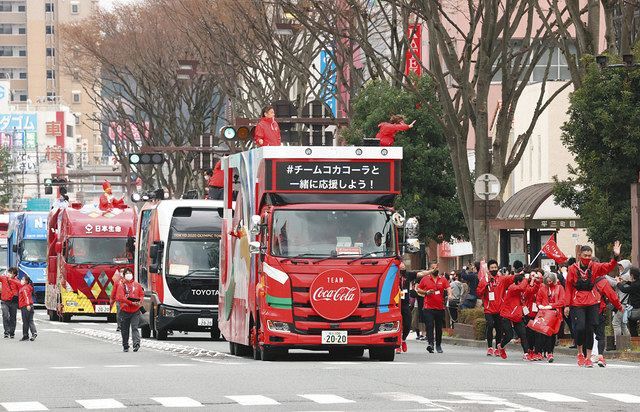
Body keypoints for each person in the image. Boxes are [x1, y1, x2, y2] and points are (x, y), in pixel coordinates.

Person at [564, 242, 621, 368]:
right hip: (577, 302)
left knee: (590, 330)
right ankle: (580, 353)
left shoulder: (595, 266)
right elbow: (568, 287)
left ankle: (588, 358)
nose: (588, 258)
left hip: (592, 302)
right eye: (585, 255)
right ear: (580, 255)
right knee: (580, 328)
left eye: (590, 255)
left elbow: (608, 266)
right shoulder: (572, 269)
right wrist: (567, 305)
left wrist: (615, 256)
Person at [477, 259, 514, 356]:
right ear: (488, 269)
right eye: (492, 268)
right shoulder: (484, 280)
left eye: (495, 267)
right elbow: (479, 293)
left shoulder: (501, 279)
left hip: (499, 308)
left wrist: (520, 274)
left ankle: (498, 346)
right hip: (489, 309)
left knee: (499, 328)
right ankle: (489, 347)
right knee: (490, 324)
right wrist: (486, 283)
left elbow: (511, 279)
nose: (494, 269)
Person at [497, 272, 533, 360]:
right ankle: (501, 346)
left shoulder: (522, 289)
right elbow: (521, 287)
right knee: (509, 335)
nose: (524, 284)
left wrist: (534, 280)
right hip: (507, 314)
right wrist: (525, 279)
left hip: (517, 315)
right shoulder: (512, 287)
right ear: (517, 282)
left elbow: (532, 290)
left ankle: (526, 353)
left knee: (523, 334)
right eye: (522, 281)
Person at [592, 272, 623, 367]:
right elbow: (612, 295)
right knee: (600, 334)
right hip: (598, 310)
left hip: (583, 310)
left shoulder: (582, 279)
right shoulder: (602, 281)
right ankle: (600, 356)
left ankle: (590, 355)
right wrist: (619, 307)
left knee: (588, 333)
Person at [416, 266, 450, 353]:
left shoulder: (443, 279)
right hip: (428, 308)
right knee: (429, 326)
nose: (435, 269)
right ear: (430, 269)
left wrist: (450, 295)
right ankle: (430, 344)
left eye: (436, 268)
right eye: (433, 268)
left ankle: (438, 345)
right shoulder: (425, 279)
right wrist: (426, 292)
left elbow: (449, 288)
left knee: (439, 328)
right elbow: (418, 289)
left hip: (440, 308)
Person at [535, 272, 565, 363]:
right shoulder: (542, 288)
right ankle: (541, 352)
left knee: (551, 334)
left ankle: (550, 352)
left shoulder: (559, 288)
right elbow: (538, 300)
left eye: (550, 281)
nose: (549, 283)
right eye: (547, 281)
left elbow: (562, 301)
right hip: (544, 313)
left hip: (554, 314)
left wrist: (552, 305)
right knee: (542, 333)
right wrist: (539, 305)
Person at [115, 268, 144, 352]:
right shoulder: (122, 285)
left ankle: (136, 344)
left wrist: (140, 301)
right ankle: (125, 345)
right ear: (124, 276)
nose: (129, 275)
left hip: (135, 310)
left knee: (135, 327)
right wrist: (131, 303)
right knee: (125, 329)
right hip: (125, 310)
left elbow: (141, 294)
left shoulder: (137, 285)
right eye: (127, 273)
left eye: (130, 273)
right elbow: (120, 297)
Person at [617, 266, 640, 337]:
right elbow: (633, 285)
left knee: (633, 326)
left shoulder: (635, 285)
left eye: (630, 275)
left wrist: (618, 283)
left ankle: (635, 343)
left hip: (635, 308)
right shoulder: (637, 283)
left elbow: (624, 289)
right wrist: (626, 281)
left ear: (632, 275)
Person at [0, 267, 20, 339]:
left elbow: (21, 288)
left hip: (13, 302)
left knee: (13, 317)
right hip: (4, 301)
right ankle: (6, 332)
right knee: (5, 315)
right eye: (8, 272)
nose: (9, 274)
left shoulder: (17, 281)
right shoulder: (4, 278)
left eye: (10, 273)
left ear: (14, 274)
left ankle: (12, 332)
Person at [16, 275, 36, 341]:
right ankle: (33, 333)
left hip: (25, 306)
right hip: (30, 306)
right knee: (30, 320)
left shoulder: (24, 288)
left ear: (26, 281)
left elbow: (26, 297)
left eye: (22, 279)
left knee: (25, 321)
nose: (21, 280)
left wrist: (27, 305)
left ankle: (25, 335)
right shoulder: (29, 287)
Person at [398, 263, 412, 353]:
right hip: (394, 303)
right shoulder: (392, 274)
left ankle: (403, 339)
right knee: (397, 325)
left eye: (403, 265)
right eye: (401, 265)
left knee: (407, 323)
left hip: (405, 303)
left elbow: (420, 274)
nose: (402, 266)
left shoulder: (407, 275)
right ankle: (397, 344)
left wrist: (431, 271)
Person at [110, 268, 124, 333]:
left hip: (127, 300)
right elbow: (114, 291)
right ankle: (119, 326)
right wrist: (112, 299)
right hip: (119, 300)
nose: (122, 273)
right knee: (119, 313)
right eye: (121, 272)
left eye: (124, 272)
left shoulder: (131, 281)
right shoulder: (117, 281)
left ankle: (126, 325)